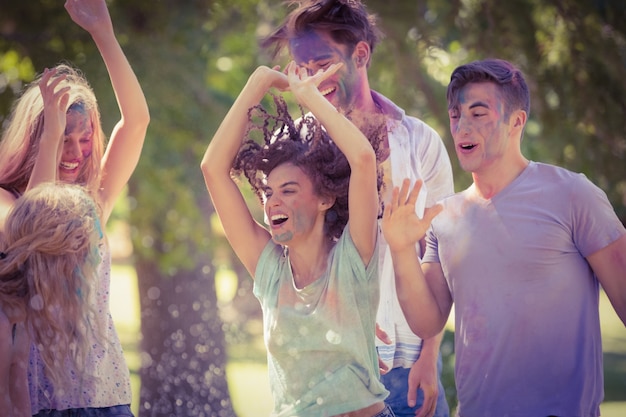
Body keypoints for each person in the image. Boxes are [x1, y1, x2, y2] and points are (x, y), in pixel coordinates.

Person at [383, 58, 626, 416]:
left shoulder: (574, 195)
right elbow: (426, 322)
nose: (462, 126)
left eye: (478, 113)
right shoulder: (444, 217)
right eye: (455, 115)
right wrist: (402, 249)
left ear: (517, 121)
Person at [261, 1, 453, 416]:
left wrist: (430, 355)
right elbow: (284, 257)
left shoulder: (419, 141)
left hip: (409, 364)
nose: (314, 78)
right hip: (338, 369)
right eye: (303, 68)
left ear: (360, 54)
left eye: (324, 63)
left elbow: (440, 254)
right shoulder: (295, 151)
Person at [202, 59, 394, 416]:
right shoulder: (269, 268)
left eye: (288, 190)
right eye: (268, 192)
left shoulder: (354, 258)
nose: (273, 200)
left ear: (324, 199)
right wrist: (259, 81)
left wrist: (309, 97)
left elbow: (363, 160)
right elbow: (213, 169)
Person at [0, 0, 150, 415]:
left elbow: (136, 121)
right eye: (64, 138)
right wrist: (50, 135)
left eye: (85, 139)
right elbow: (35, 221)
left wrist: (104, 34)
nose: (77, 152)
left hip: (108, 397)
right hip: (39, 399)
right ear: (36, 135)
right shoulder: (7, 201)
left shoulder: (92, 204)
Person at [0, 183, 102, 417]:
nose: (97, 260)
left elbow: (17, 377)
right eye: (94, 248)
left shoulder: (22, 313)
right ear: (67, 255)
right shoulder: (3, 319)